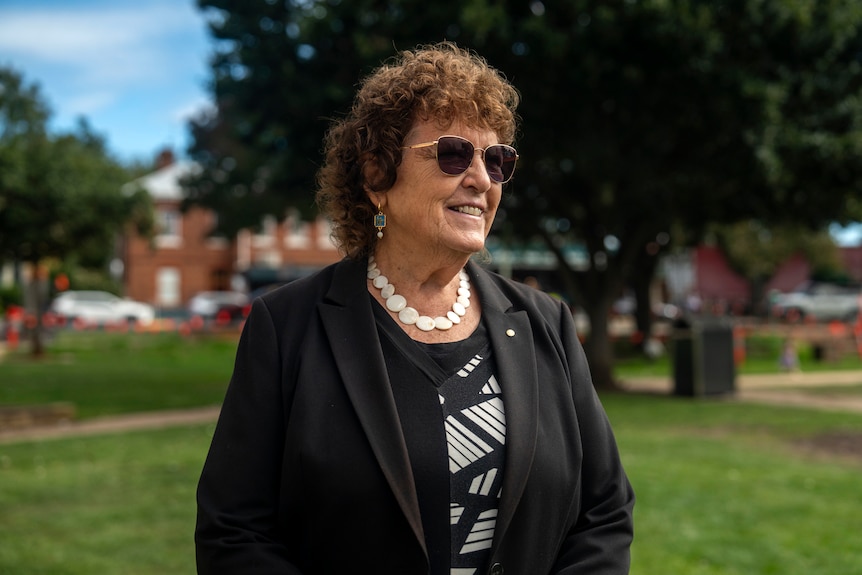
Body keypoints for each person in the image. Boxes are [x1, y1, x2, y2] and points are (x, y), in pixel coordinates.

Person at [195, 41, 635, 575]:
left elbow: (604, 513)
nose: (480, 178)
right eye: (453, 154)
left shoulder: (547, 324)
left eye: (497, 161)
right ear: (377, 175)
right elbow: (234, 530)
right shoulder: (287, 327)